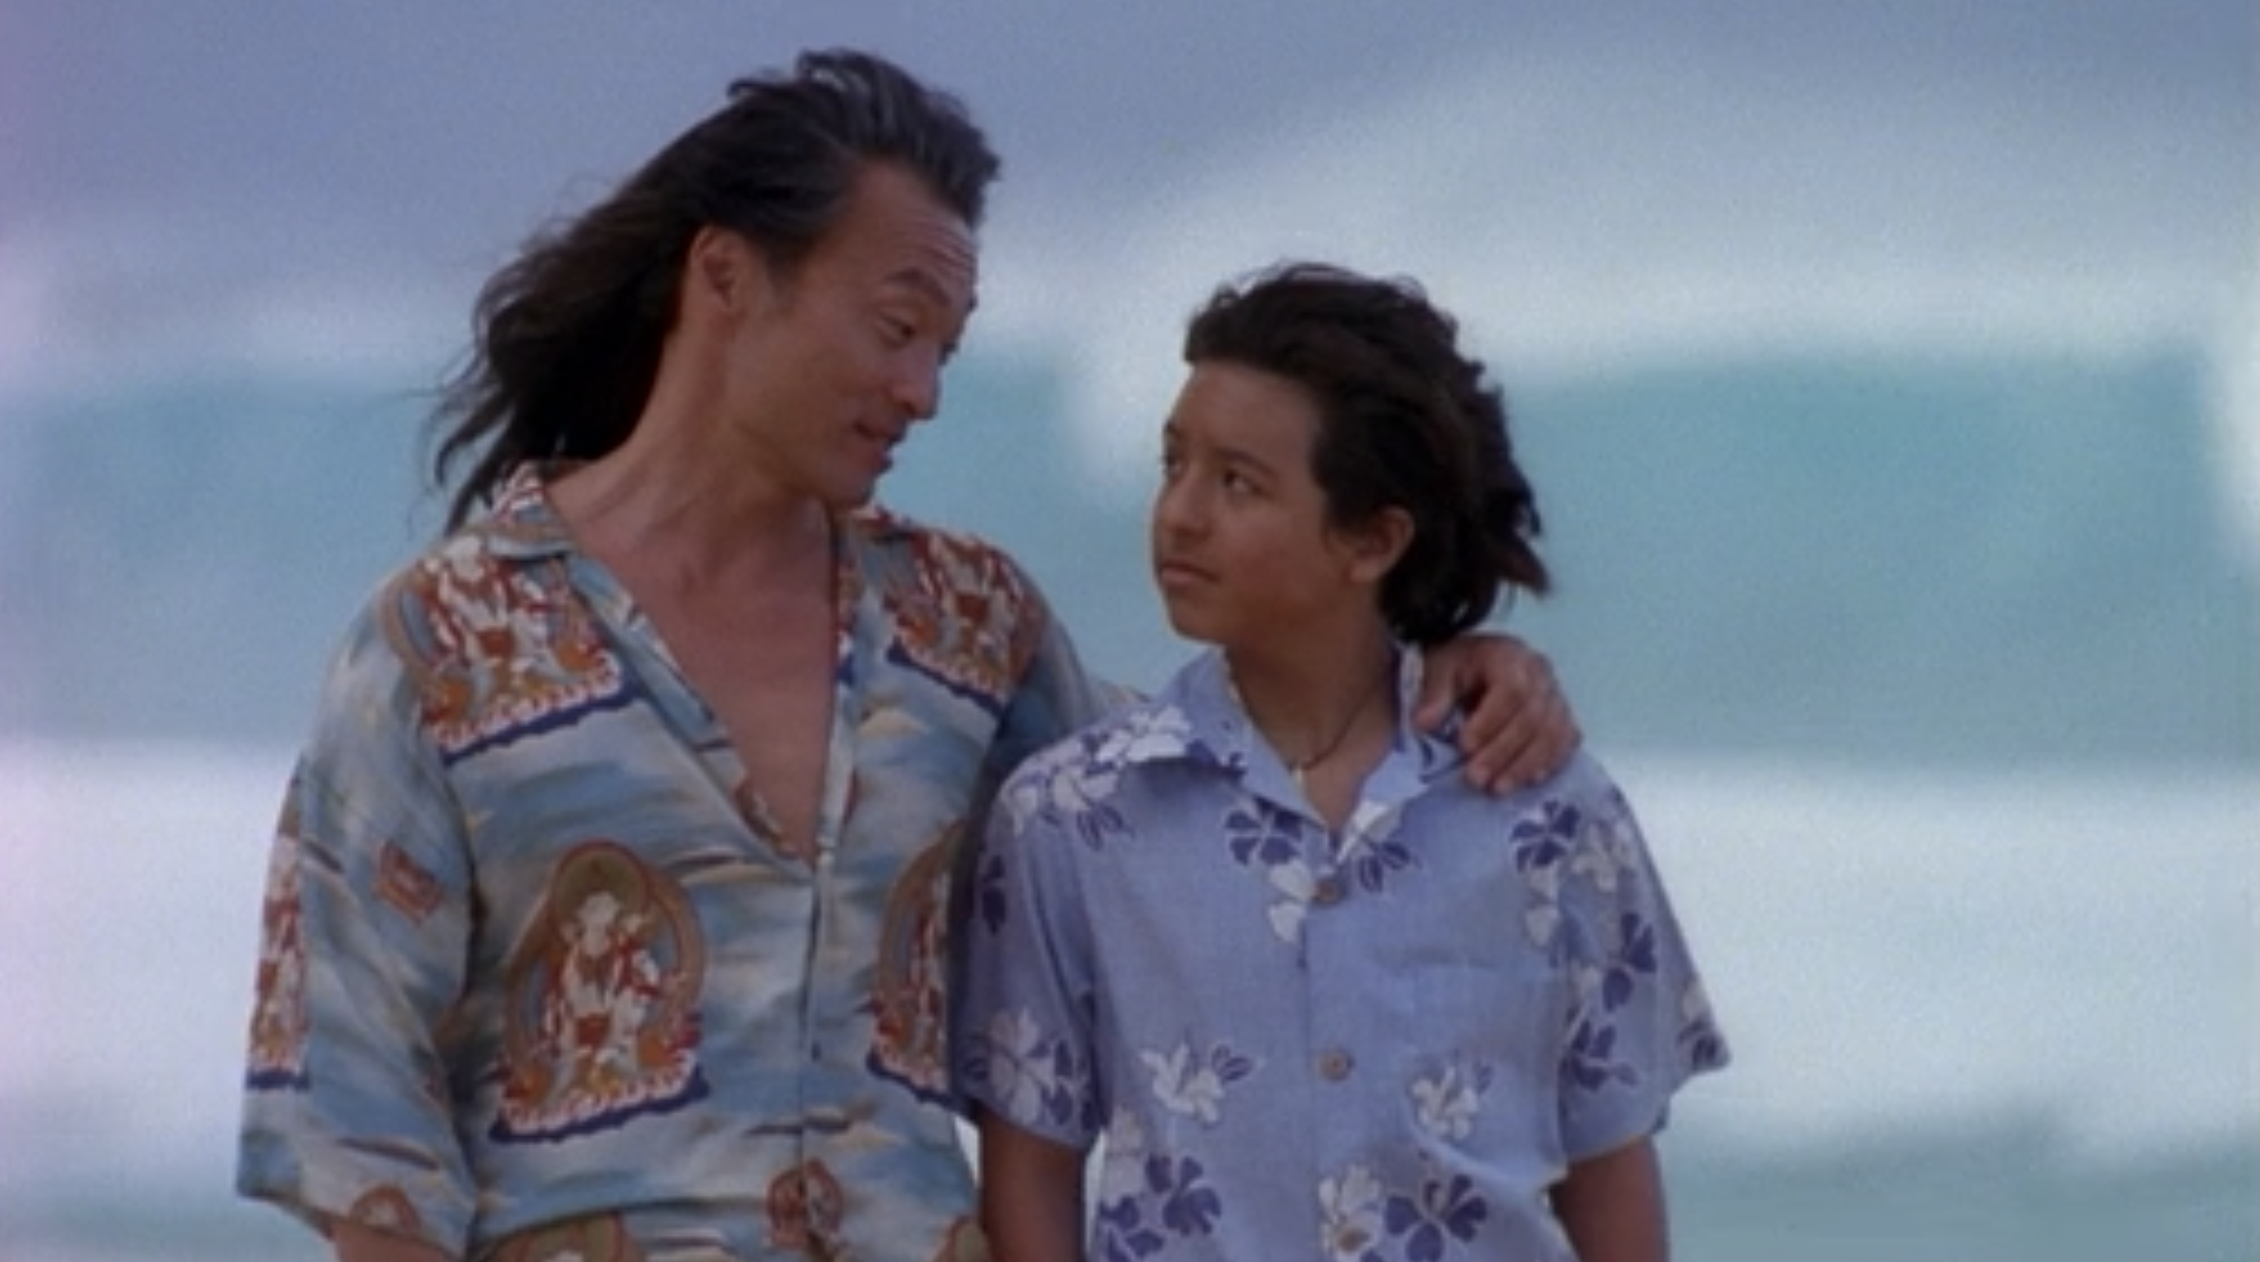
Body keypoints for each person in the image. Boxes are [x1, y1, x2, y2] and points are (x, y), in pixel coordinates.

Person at [234, 52, 1581, 1262]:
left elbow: (1218, 801)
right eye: (895, 328)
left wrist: (1438, 665)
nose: (924, 388)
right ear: (724, 276)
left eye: (945, 347)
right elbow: (362, 1123)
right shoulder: (444, 639)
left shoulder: (964, 623)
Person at [956, 263, 1730, 1262]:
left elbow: (1609, 1161)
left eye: (1237, 482)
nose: (1179, 513)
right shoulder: (1072, 817)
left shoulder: (1546, 810)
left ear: (1371, 539)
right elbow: (1031, 1170)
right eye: (1171, 463)